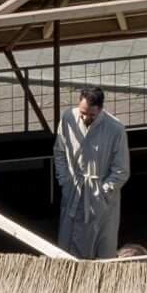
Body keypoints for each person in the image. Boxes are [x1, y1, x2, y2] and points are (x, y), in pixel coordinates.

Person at [54, 83, 130, 260]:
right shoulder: (68, 119)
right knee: (68, 249)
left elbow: (121, 169)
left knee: (103, 248)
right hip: (74, 190)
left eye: (91, 115)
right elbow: (59, 151)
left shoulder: (116, 129)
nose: (86, 117)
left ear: (101, 110)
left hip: (100, 199)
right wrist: (64, 180)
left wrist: (104, 191)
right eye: (83, 113)